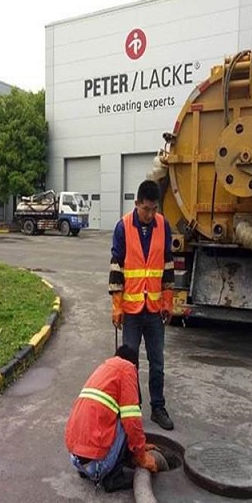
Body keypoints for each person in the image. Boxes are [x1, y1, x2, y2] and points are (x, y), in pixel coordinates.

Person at [109, 179, 175, 430]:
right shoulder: (123, 227)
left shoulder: (163, 226)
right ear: (137, 203)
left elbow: (167, 265)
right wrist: (117, 306)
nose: (150, 214)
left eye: (154, 209)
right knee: (129, 365)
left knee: (157, 362)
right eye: (146, 208)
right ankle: (131, 410)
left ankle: (158, 407)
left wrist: (168, 301)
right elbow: (117, 267)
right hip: (132, 311)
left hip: (155, 310)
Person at [65, 345, 168, 493]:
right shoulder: (127, 369)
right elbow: (132, 420)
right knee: (128, 416)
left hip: (77, 460)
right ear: (134, 365)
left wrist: (140, 445)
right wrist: (141, 456)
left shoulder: (104, 369)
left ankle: (93, 467)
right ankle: (113, 477)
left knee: (113, 414)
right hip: (98, 467)